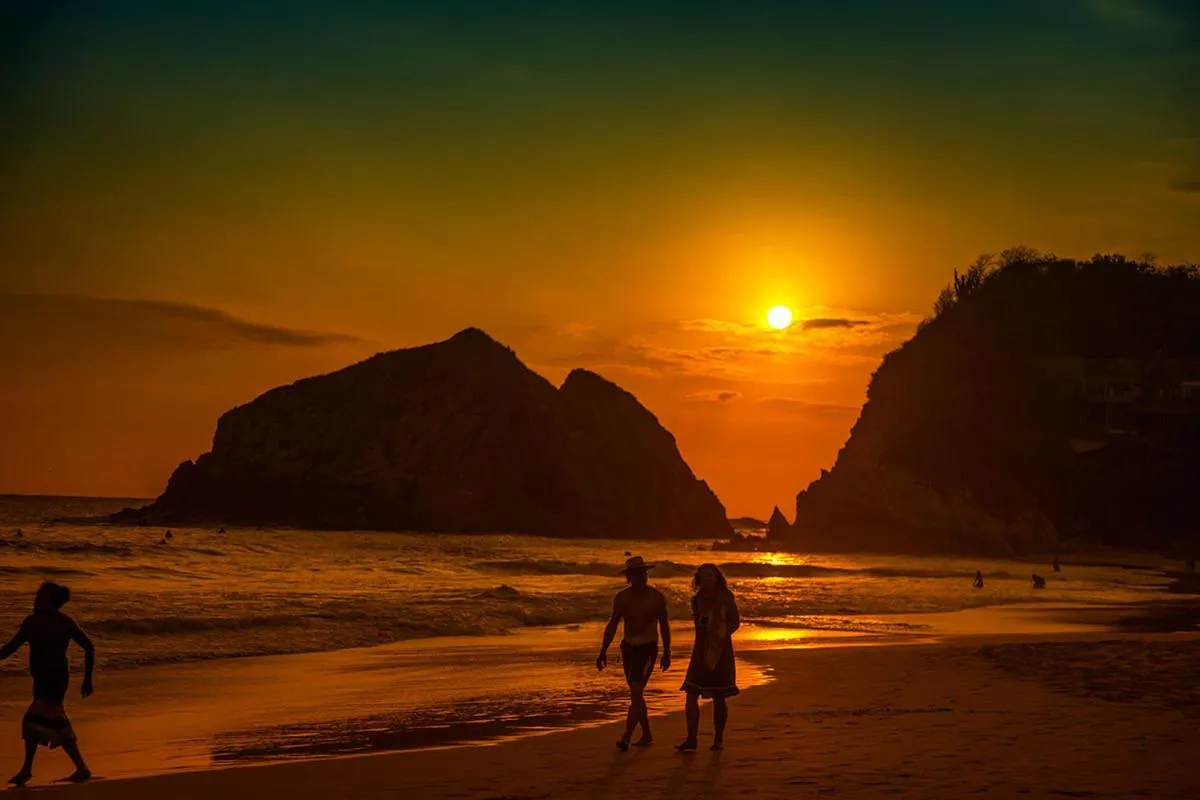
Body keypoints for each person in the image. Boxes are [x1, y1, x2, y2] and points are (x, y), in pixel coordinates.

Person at [0, 582, 95, 787]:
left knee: (32, 721)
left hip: (56, 679)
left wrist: (88, 679)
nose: (35, 600)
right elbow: (9, 648)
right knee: (54, 723)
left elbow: (89, 647)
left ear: (52, 602)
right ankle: (81, 768)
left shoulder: (64, 622)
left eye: (40, 597)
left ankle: (27, 770)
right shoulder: (30, 622)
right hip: (40, 680)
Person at [597, 556, 671, 751]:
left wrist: (667, 652)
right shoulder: (621, 598)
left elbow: (664, 626)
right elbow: (612, 624)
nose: (641, 577)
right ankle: (646, 734)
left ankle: (626, 737)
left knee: (636, 691)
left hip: (648, 648)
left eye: (643, 573)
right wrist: (603, 650)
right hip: (628, 649)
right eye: (637, 574)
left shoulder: (657, 598)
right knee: (636, 693)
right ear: (628, 577)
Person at [677, 563, 740, 752]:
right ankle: (691, 739)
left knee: (719, 696)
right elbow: (698, 625)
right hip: (699, 650)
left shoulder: (726, 597)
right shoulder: (697, 599)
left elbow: (735, 622)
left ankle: (718, 739)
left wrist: (719, 635)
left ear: (717, 578)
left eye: (711, 576)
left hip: (721, 651)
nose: (708, 580)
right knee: (691, 693)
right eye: (704, 577)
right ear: (699, 580)